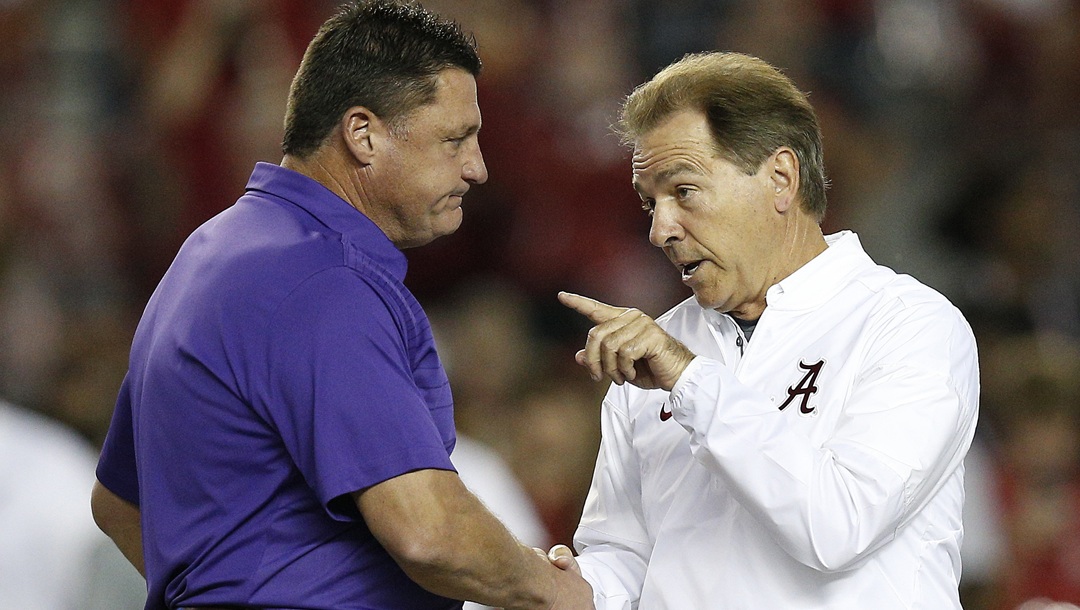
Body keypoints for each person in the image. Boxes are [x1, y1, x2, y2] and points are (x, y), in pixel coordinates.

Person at [89, 2, 592, 609]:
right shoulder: (323, 281)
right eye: (455, 140)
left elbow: (118, 504)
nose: (476, 168)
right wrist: (558, 593)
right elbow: (428, 532)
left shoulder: (214, 248)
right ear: (363, 134)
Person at [550, 51, 980, 609]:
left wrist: (690, 380)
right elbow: (627, 558)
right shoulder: (656, 352)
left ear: (781, 177)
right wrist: (565, 587)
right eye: (648, 202)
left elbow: (839, 526)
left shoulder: (910, 326)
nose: (659, 230)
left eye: (682, 191)